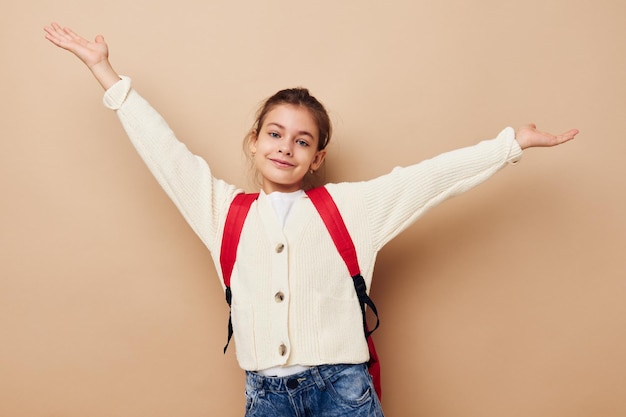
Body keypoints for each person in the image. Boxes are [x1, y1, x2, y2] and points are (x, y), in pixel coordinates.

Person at [44, 22, 578, 417]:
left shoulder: (350, 207)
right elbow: (166, 153)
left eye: (303, 141)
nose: (286, 148)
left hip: (344, 392)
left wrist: (510, 145)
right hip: (266, 397)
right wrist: (105, 73)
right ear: (254, 143)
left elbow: (428, 178)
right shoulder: (222, 210)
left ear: (317, 157)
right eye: (274, 134)